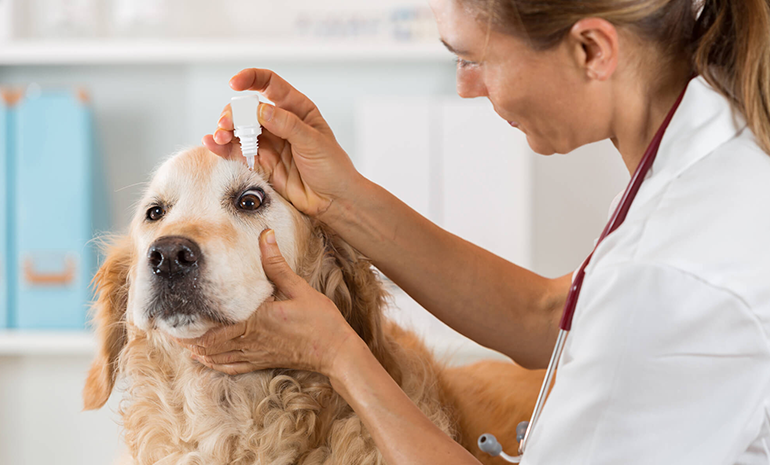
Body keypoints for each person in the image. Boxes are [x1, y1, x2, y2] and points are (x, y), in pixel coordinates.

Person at [180, 0, 770, 463]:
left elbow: (626, 303)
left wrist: (339, 355)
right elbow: (548, 316)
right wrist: (343, 199)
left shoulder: (670, 273)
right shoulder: (718, 150)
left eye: (473, 59)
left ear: (592, 48)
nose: (466, 87)